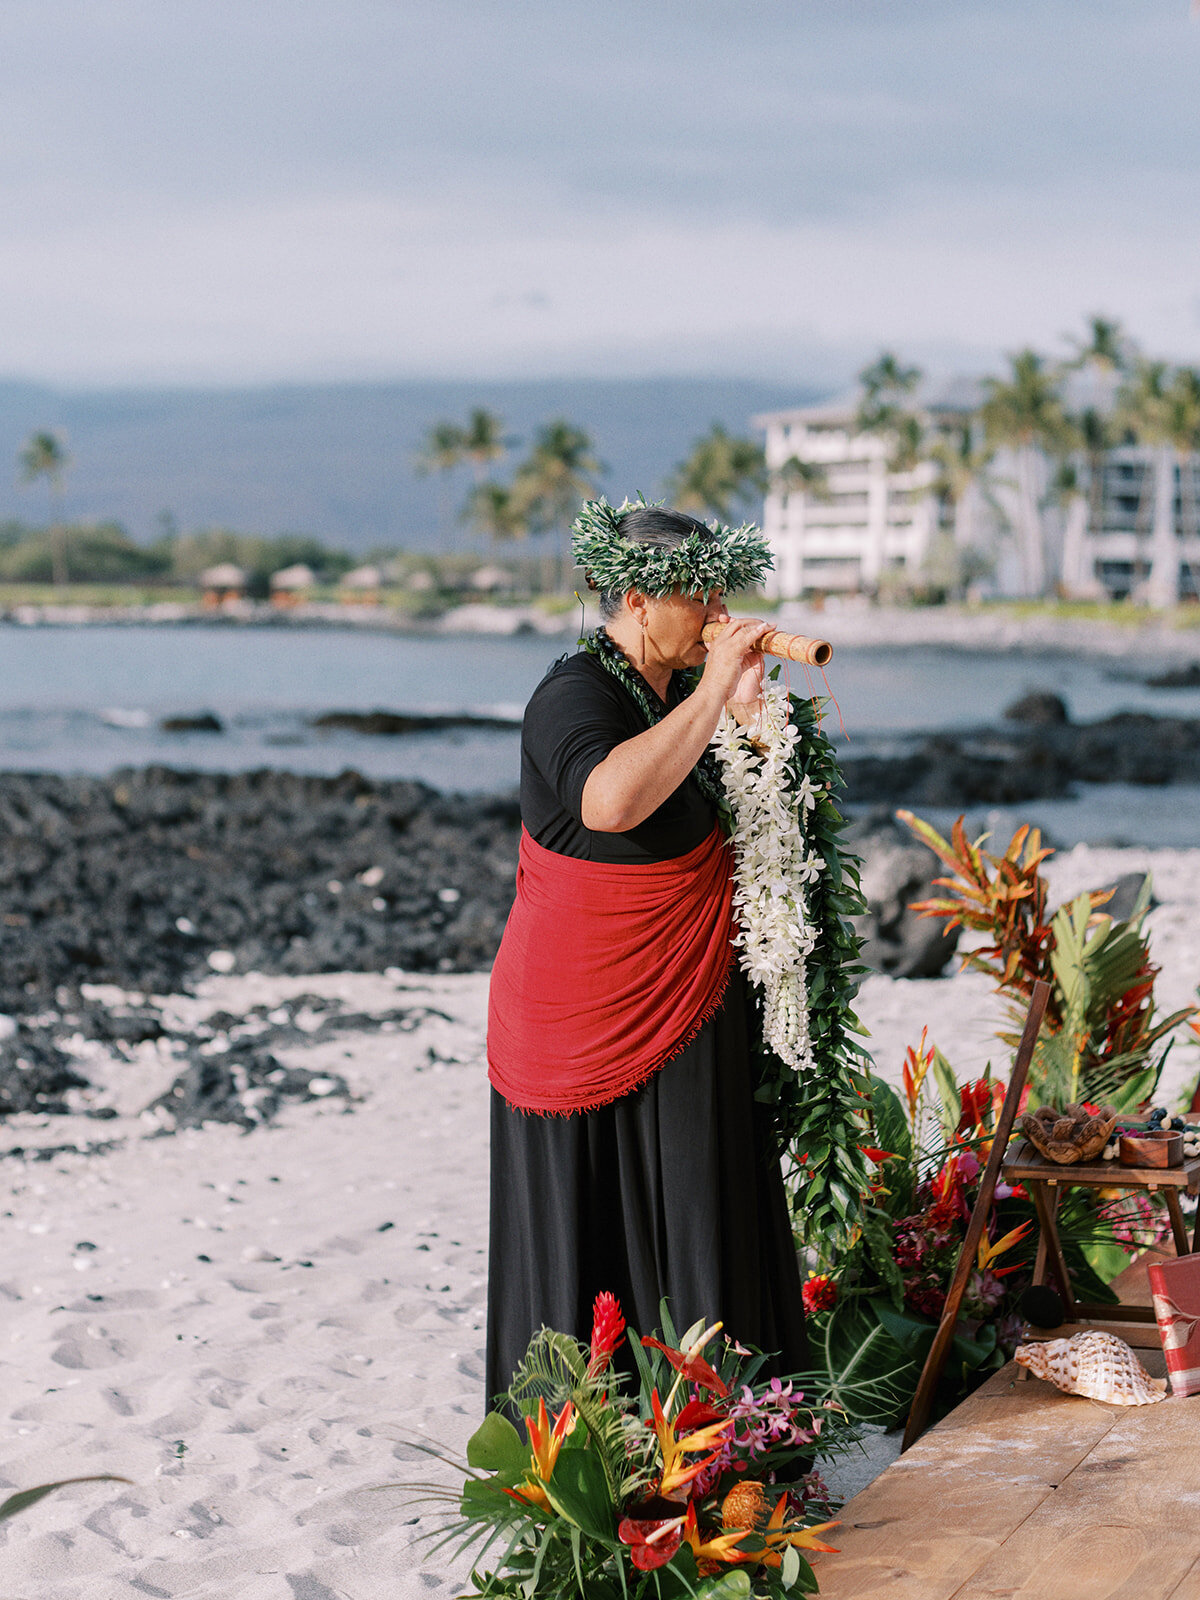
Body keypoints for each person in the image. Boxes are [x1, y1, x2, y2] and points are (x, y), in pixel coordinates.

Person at [484, 501, 808, 1408]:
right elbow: (608, 804)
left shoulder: (672, 692)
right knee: (596, 1235)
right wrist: (713, 695)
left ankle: (723, 1440)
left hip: (689, 987)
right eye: (696, 594)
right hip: (584, 1010)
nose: (715, 612)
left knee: (702, 1204)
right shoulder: (572, 693)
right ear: (634, 597)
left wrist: (743, 713)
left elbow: (748, 827)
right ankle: (596, 1449)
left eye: (719, 592)